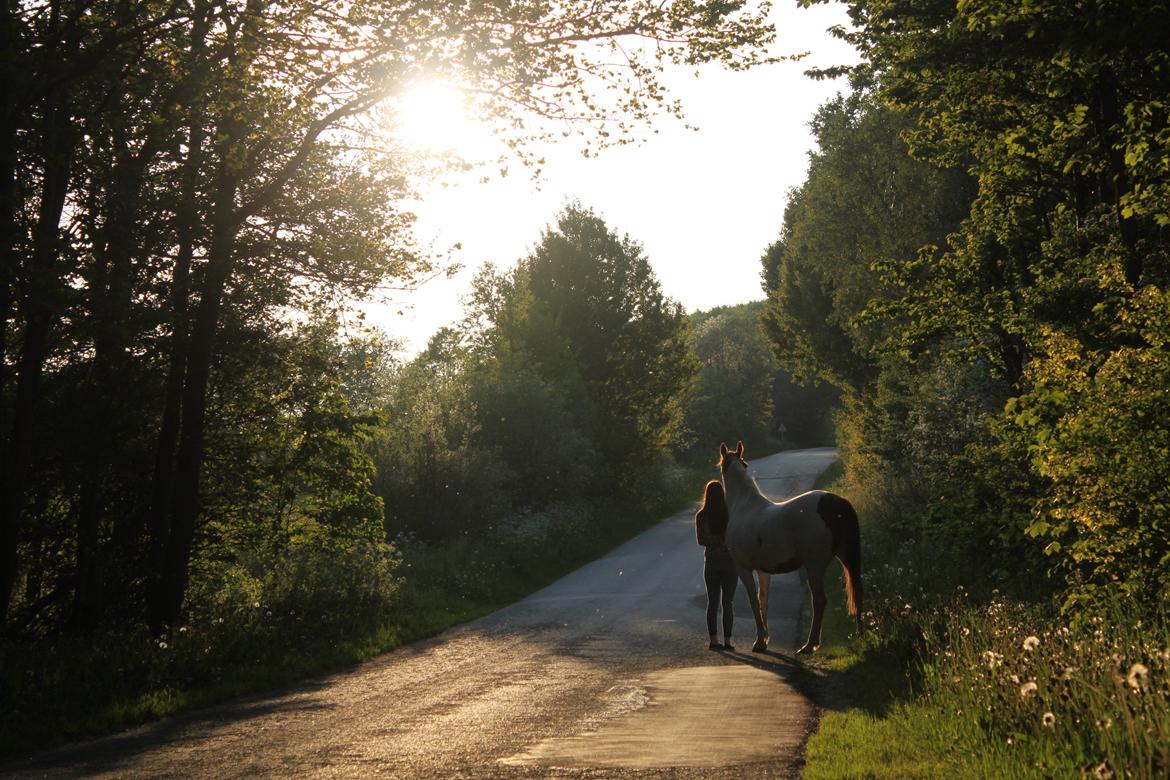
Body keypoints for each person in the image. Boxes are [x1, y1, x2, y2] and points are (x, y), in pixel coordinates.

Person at [695, 479, 736, 650]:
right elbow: (734, 536)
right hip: (729, 561)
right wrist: (724, 542)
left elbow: (701, 540)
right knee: (728, 603)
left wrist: (714, 542)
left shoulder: (701, 516)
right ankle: (728, 641)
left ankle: (713, 640)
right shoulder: (729, 514)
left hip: (711, 561)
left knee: (712, 603)